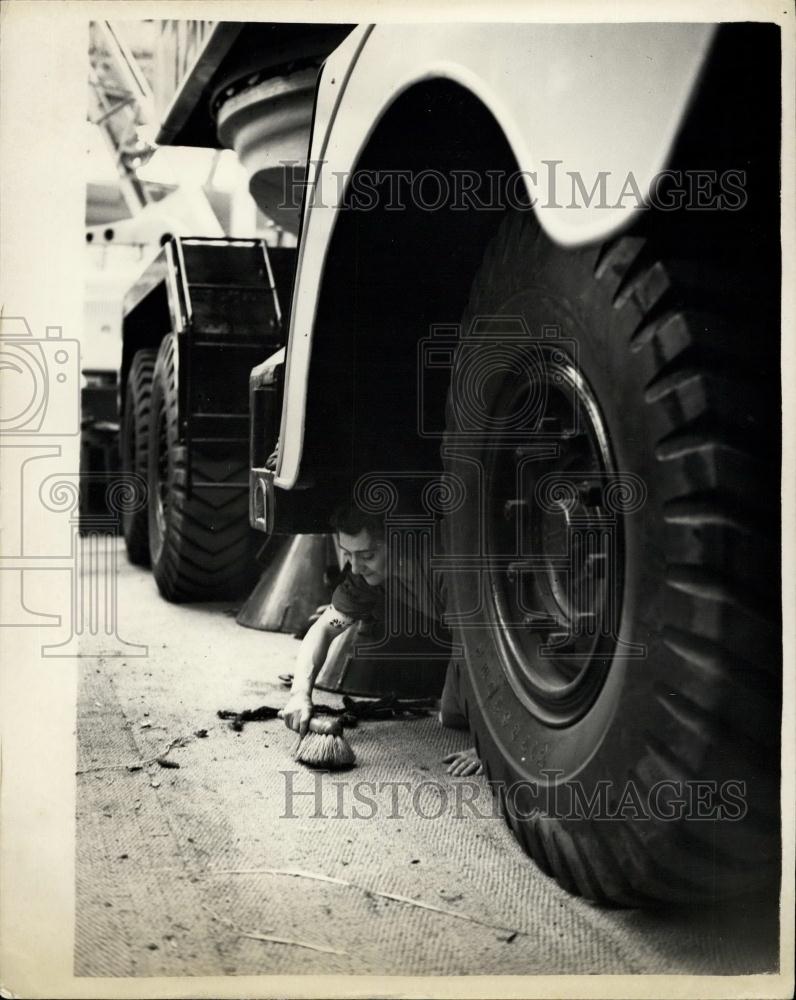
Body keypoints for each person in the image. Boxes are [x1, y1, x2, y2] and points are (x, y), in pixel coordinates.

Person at [280, 501, 482, 777]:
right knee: (451, 716)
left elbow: (483, 649)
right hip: (465, 641)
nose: (356, 568)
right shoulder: (366, 577)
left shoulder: (446, 566)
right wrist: (299, 694)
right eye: (349, 555)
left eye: (368, 555)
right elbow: (325, 629)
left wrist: (490, 747)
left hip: (501, 636)